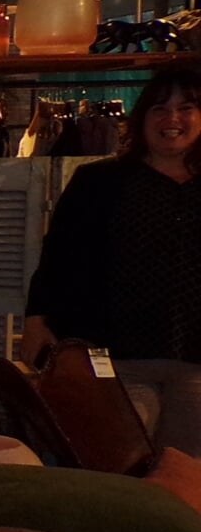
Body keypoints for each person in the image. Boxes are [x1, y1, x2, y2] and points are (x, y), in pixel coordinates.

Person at [22, 67, 201, 457]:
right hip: (115, 361)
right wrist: (36, 319)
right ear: (142, 119)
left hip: (195, 365)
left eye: (186, 108)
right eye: (159, 108)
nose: (172, 119)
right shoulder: (99, 182)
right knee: (117, 470)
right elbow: (57, 257)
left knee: (187, 479)